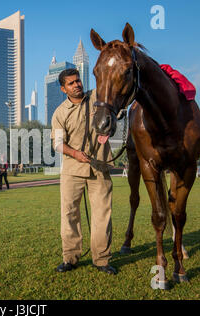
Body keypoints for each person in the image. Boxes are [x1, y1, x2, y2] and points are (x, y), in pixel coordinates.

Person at [51, 68, 116, 275]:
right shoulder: (60, 113)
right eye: (71, 83)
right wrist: (75, 153)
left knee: (102, 215)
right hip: (72, 169)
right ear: (63, 89)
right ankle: (70, 258)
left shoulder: (97, 97)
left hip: (100, 166)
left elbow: (112, 108)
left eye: (77, 81)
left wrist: (110, 127)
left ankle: (102, 259)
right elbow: (58, 144)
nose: (76, 85)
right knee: (70, 214)